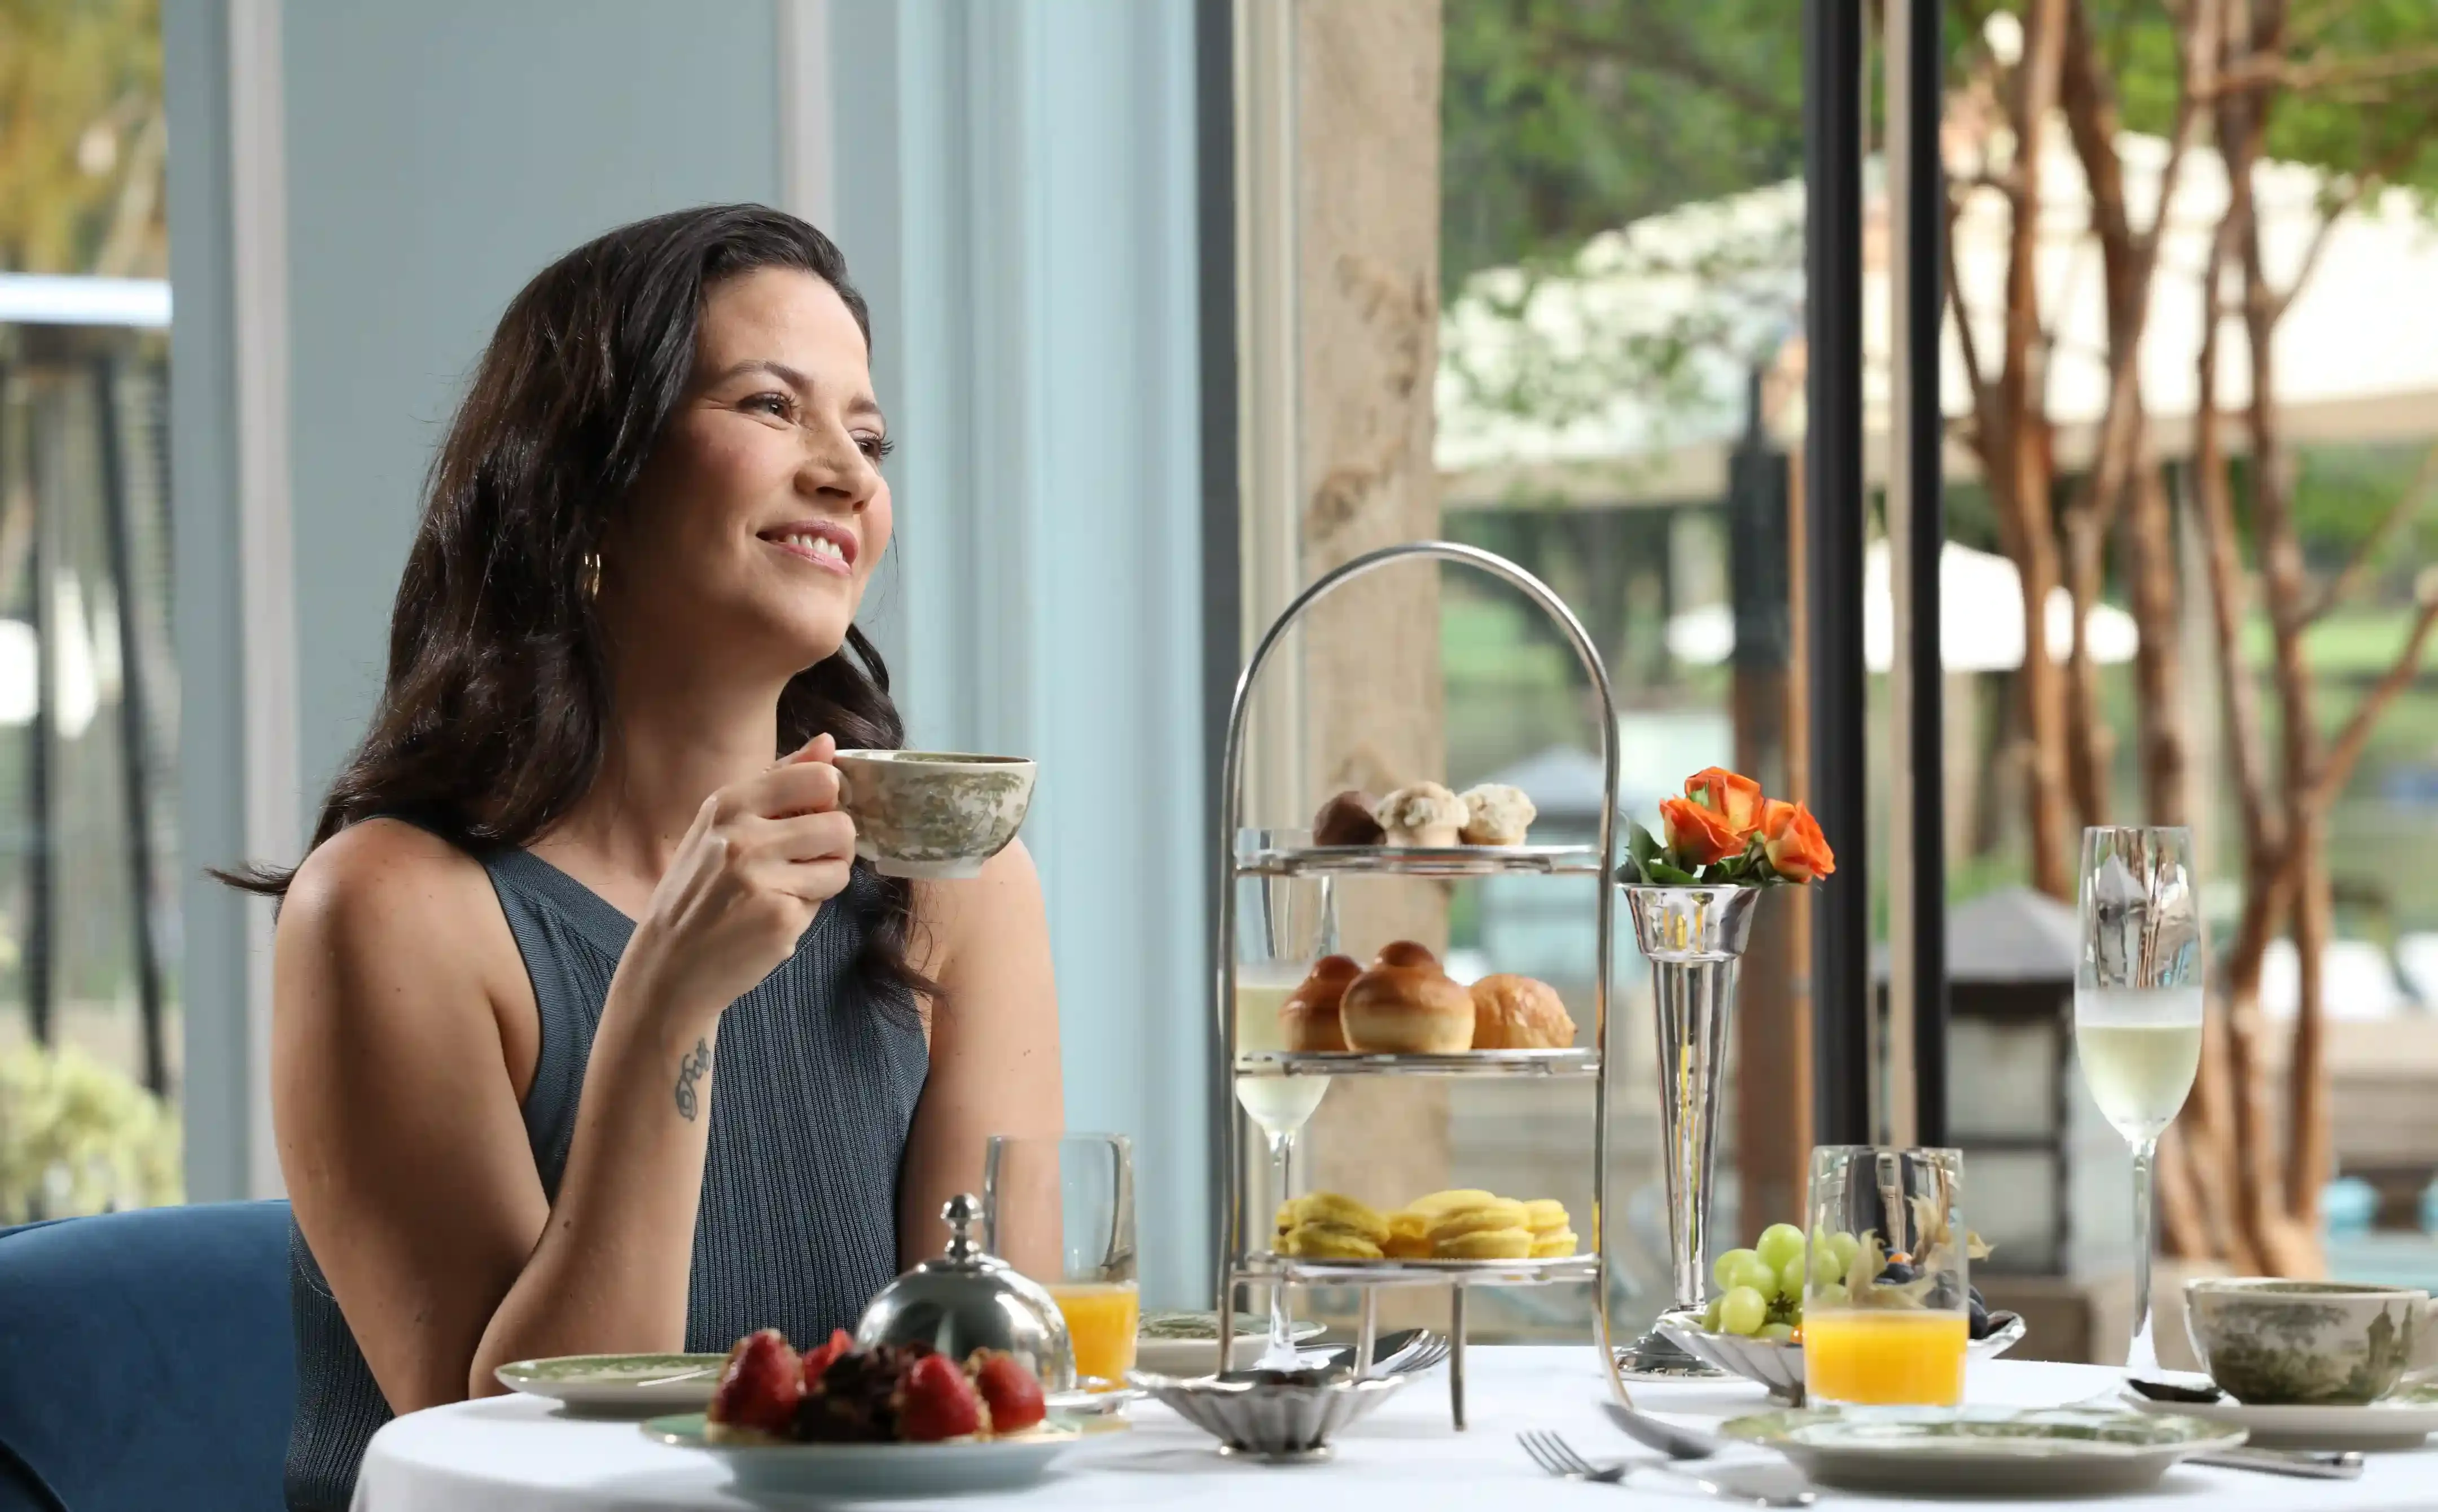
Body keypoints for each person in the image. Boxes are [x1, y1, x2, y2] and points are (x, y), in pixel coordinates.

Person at [234, 205, 1062, 1511]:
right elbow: (518, 1468)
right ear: (590, 481)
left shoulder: (950, 886)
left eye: (867, 435)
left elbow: (1003, 1411)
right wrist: (671, 999)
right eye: (769, 405)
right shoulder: (395, 912)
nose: (846, 472)